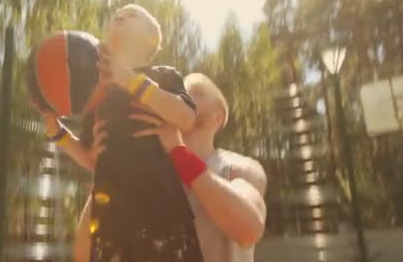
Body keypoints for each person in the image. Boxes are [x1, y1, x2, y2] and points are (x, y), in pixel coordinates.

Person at [35, 4, 203, 261]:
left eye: (133, 13)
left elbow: (187, 117)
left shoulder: (163, 76)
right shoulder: (98, 94)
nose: (120, 14)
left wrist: (130, 80)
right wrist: (57, 132)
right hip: (112, 226)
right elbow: (92, 158)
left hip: (163, 217)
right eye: (117, 14)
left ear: (151, 39)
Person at [73, 73, 268, 262]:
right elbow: (84, 256)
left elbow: (248, 231)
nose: (183, 93)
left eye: (196, 91)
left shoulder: (239, 168)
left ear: (220, 116)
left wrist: (178, 152)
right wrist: (108, 171)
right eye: (180, 90)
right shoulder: (147, 177)